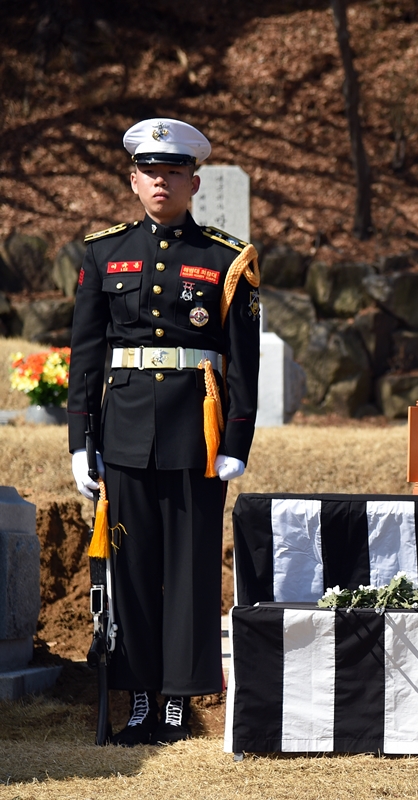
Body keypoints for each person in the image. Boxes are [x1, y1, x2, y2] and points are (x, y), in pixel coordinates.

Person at [67, 118, 261, 745]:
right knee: (132, 570)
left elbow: (244, 363)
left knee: (190, 569)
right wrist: (79, 441)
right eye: (150, 172)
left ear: (193, 182)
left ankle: (178, 700)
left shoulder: (227, 258)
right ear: (133, 181)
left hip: (196, 433)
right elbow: (86, 356)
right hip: (123, 433)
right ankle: (142, 699)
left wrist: (236, 444)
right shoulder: (101, 253)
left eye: (173, 172)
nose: (161, 181)